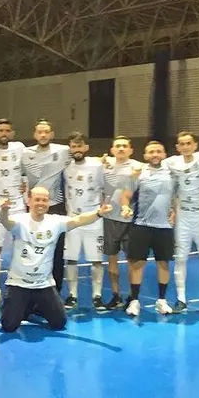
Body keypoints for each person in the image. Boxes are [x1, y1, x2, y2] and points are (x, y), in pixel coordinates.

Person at [0, 188, 111, 333]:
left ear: (49, 203)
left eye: (44, 200)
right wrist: (4, 210)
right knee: (9, 326)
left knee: (59, 323)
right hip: (19, 283)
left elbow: (79, 220)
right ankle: (19, 304)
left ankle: (33, 305)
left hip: (43, 284)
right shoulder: (20, 221)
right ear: (29, 201)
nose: (41, 203)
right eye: (37, 199)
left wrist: (99, 213)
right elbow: (5, 221)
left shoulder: (55, 222)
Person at [165, 131, 199, 314]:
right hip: (183, 216)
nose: (186, 146)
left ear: (195, 145)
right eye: (182, 143)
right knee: (180, 258)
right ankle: (181, 299)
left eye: (189, 143)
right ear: (178, 147)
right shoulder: (172, 162)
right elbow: (149, 164)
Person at [121, 141, 176, 317]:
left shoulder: (172, 173)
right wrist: (125, 207)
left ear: (164, 154)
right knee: (138, 263)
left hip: (164, 226)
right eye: (151, 152)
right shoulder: (138, 173)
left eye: (159, 151)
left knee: (163, 263)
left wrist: (174, 209)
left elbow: (176, 194)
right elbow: (126, 195)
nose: (155, 154)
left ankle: (161, 301)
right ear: (145, 156)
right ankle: (134, 301)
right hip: (141, 225)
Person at [20, 120, 71, 290]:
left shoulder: (63, 151)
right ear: (35, 134)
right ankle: (31, 287)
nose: (43, 135)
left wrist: (105, 159)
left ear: (52, 134)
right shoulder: (25, 153)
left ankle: (55, 291)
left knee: (56, 251)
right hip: (34, 208)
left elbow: (82, 155)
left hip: (55, 206)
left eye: (46, 132)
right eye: (40, 132)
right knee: (33, 249)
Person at [62, 132, 106, 310]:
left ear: (86, 147)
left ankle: (97, 295)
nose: (77, 150)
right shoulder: (65, 166)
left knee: (96, 259)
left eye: (80, 146)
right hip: (73, 219)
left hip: (94, 219)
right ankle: (72, 295)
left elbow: (105, 188)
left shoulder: (98, 165)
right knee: (71, 259)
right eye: (73, 146)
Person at [0, 119, 26, 306]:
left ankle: (17, 286)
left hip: (17, 204)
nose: (4, 133)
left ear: (12, 133)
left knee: (21, 244)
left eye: (7, 130)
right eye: (0, 130)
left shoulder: (20, 148)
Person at [100, 136, 138, 309]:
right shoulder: (104, 165)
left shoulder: (138, 167)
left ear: (131, 150)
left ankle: (133, 296)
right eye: (118, 146)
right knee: (112, 258)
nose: (121, 148)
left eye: (124, 146)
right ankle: (116, 295)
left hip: (130, 221)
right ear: (112, 150)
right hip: (109, 219)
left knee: (132, 260)